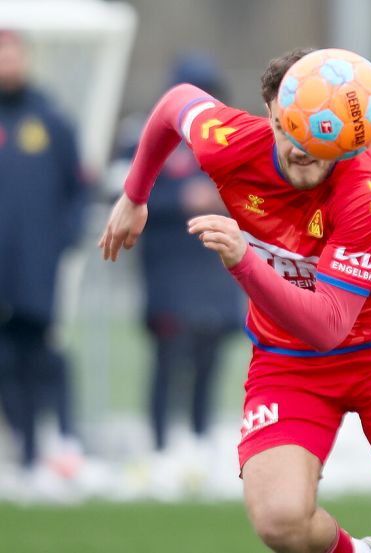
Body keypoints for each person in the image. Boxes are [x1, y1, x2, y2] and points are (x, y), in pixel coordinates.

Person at [100, 48, 371, 553]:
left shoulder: (369, 190)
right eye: (287, 129)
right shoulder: (230, 142)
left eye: (318, 138)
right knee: (279, 522)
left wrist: (242, 260)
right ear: (271, 114)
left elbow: (328, 324)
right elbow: (175, 104)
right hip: (290, 360)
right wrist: (135, 194)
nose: (299, 148)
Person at [127, 53, 243, 454]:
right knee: (168, 357)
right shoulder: (144, 138)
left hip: (216, 268)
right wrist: (182, 199)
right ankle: (159, 444)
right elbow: (124, 196)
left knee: (210, 356)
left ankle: (201, 438)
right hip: (167, 269)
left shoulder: (231, 141)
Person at [0, 29, 87, 476]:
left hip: (36, 267)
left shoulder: (51, 119)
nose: (7, 62)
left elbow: (78, 188)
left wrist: (63, 239)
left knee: (40, 354)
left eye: (12, 54)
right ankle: (22, 449)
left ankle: (47, 448)